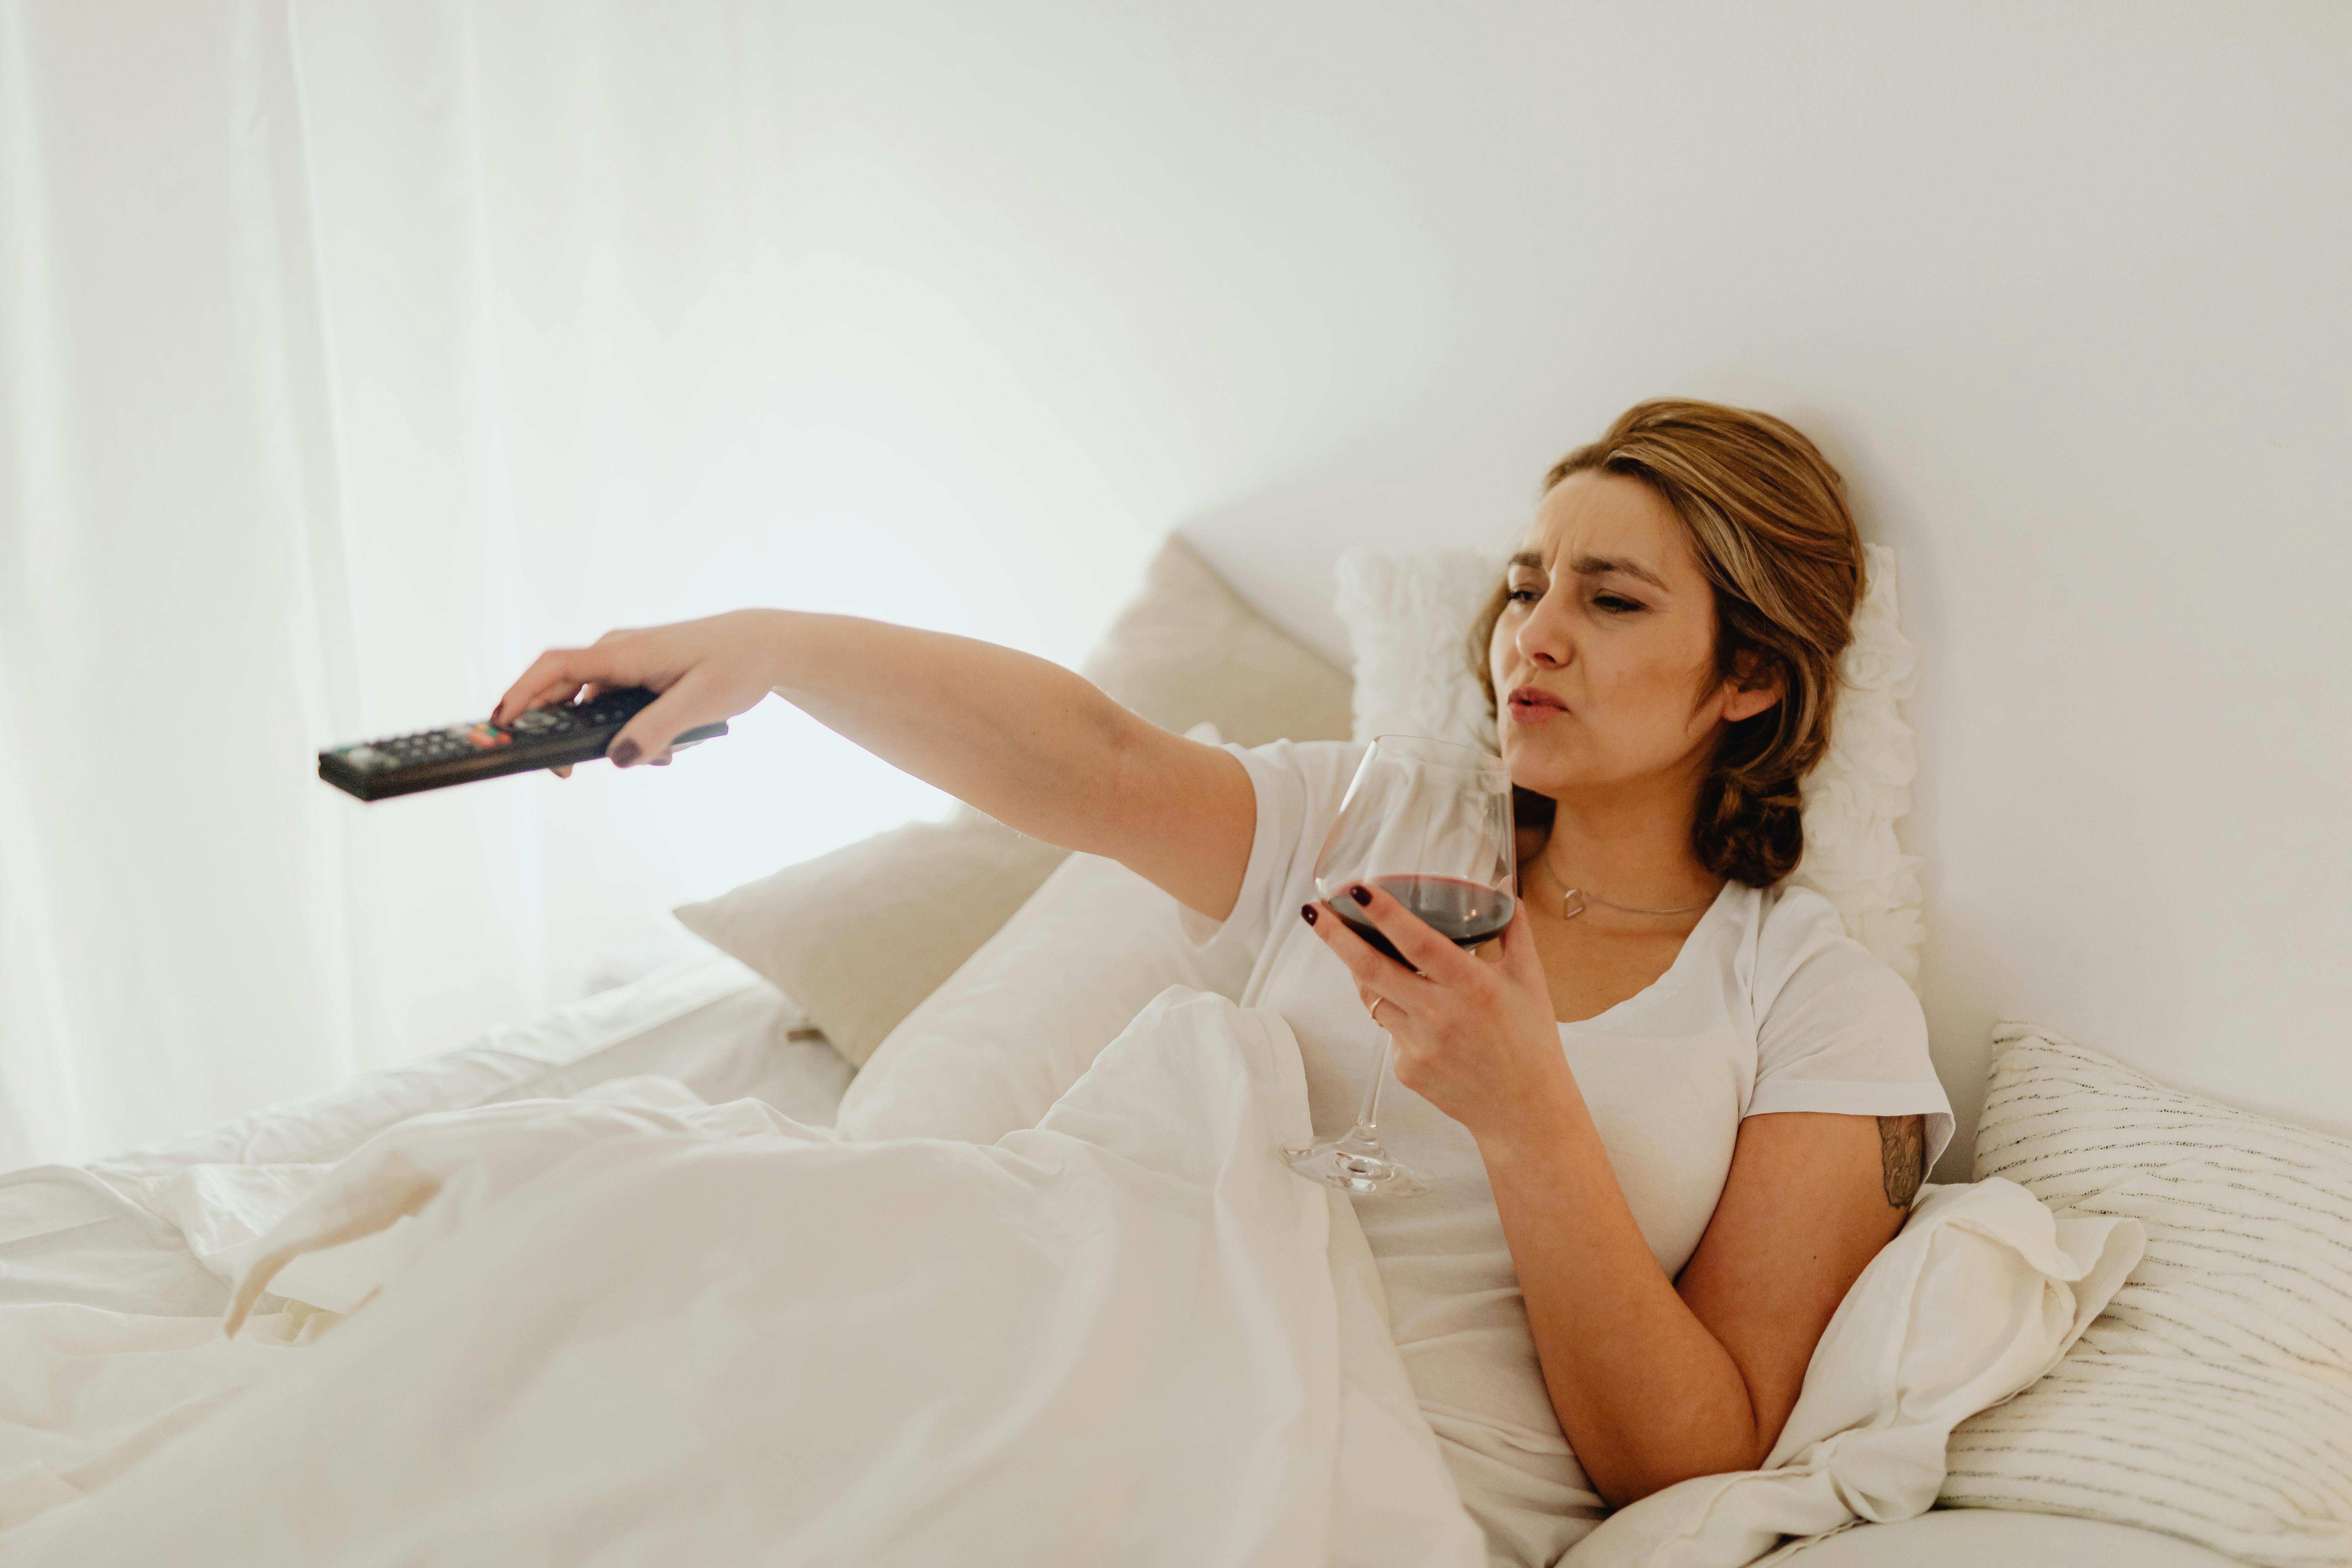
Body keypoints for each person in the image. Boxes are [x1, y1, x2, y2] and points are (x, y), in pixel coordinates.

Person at [493, 398, 1953, 1567]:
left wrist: (1528, 1117)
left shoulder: (1816, 1001)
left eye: (1613, 600)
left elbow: (1693, 1454)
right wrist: (778, 650)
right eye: (1526, 587)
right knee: (627, 1242)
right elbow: (1099, 760)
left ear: (1750, 679)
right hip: (1134, 1336)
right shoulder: (1387, 819)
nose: (1536, 634)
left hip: (1375, 1481)